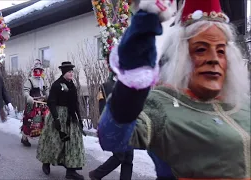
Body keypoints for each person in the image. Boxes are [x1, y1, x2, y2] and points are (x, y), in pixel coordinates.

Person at [97, 0, 250, 179]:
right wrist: (134, 76)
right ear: (181, 56)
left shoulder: (243, 103)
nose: (213, 59)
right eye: (201, 50)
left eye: (221, 51)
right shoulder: (161, 104)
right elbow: (111, 137)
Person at [36, 61, 85, 180]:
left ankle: (71, 171)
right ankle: (46, 163)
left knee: (73, 142)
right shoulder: (57, 85)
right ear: (64, 72)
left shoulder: (72, 85)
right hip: (58, 115)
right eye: (69, 72)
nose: (71, 73)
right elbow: (51, 102)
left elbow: (76, 103)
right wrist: (56, 118)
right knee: (54, 141)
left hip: (71, 116)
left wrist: (79, 118)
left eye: (72, 71)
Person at [89, 72, 134, 180]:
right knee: (119, 156)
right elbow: (103, 107)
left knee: (128, 158)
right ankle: (96, 174)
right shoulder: (106, 86)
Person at [21, 60, 48, 147]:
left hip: (42, 103)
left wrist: (48, 95)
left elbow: (46, 89)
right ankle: (24, 138)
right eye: (36, 70)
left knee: (43, 121)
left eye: (40, 70)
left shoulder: (43, 80)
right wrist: (28, 97)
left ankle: (43, 139)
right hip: (31, 104)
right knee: (28, 121)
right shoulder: (30, 80)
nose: (38, 71)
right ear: (33, 70)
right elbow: (25, 91)